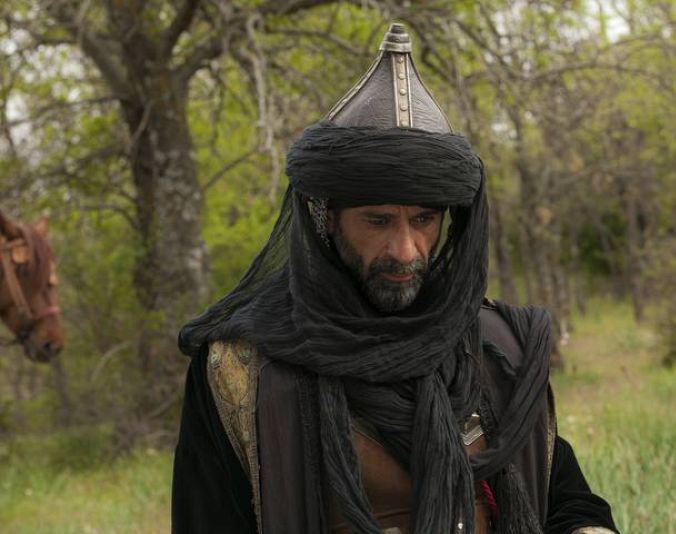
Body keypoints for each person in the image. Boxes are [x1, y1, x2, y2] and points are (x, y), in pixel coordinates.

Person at [172, 23, 617, 534]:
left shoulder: (498, 348)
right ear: (327, 219)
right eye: (378, 221)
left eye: (424, 220)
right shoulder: (244, 369)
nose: (405, 251)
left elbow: (567, 502)